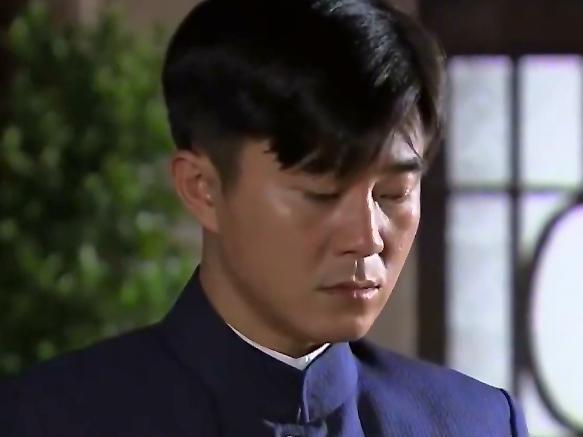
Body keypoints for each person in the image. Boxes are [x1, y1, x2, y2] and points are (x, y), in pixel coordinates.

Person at [0, 0, 528, 435]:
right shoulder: (50, 419)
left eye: (393, 193)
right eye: (321, 193)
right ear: (203, 189)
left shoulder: (473, 423)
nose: (366, 238)